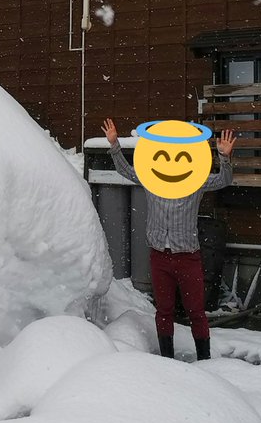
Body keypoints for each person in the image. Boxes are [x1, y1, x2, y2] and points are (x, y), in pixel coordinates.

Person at [101, 117, 236, 360]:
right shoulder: (152, 180)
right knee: (164, 311)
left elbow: (224, 180)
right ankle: (166, 360)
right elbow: (126, 171)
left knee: (196, 311)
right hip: (159, 257)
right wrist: (114, 144)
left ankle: (205, 361)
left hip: (188, 257)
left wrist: (224, 158)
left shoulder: (196, 182)